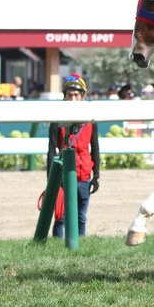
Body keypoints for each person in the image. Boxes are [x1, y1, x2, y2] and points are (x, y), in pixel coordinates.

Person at [46, 73, 100, 238]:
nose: (73, 99)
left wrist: (96, 176)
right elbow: (51, 150)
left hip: (84, 177)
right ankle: (57, 245)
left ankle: (81, 246)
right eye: (69, 95)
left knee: (81, 218)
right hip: (63, 177)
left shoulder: (90, 121)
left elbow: (95, 148)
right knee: (61, 217)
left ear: (83, 96)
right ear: (64, 96)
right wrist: (50, 179)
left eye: (76, 95)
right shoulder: (57, 121)